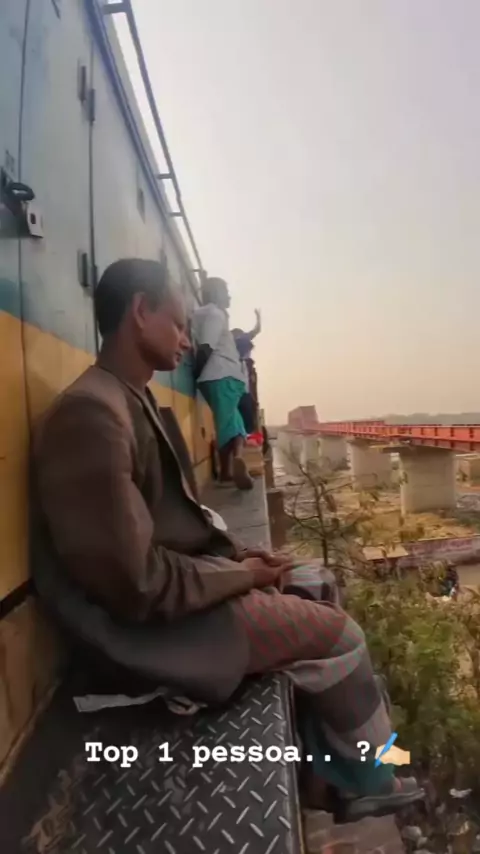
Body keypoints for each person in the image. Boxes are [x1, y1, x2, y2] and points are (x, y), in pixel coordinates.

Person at [30, 258, 424, 823]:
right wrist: (243, 577)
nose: (187, 340)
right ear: (140, 312)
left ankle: (327, 773)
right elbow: (136, 583)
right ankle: (373, 778)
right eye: (178, 323)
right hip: (140, 632)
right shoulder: (92, 414)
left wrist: (242, 560)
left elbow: (168, 532)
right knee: (342, 636)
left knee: (314, 581)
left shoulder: (129, 398)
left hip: (167, 602)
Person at [191, 277, 252, 489]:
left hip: (221, 377)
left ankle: (228, 470)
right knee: (232, 425)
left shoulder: (207, 314)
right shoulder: (214, 314)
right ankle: (235, 460)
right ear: (216, 293)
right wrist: (196, 372)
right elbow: (206, 346)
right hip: (222, 376)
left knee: (230, 422)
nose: (229, 296)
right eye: (225, 291)